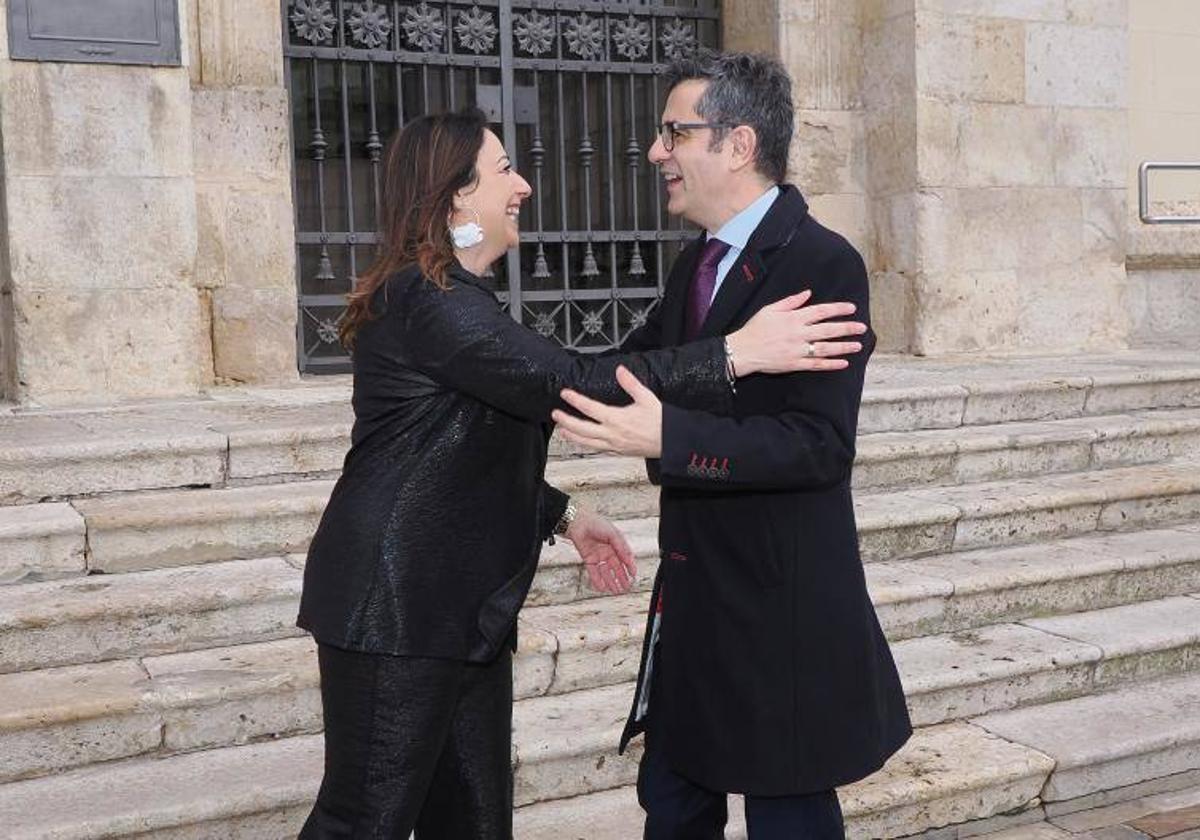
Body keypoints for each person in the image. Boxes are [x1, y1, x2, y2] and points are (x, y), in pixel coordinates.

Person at [294, 108, 870, 839]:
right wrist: (734, 353)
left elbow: (456, 449)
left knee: (471, 819)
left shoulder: (456, 300)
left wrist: (564, 516)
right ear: (457, 194)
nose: (525, 186)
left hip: (459, 607)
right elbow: (568, 381)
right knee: (363, 820)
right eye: (505, 169)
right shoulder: (427, 300)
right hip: (395, 607)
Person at [552, 52, 913, 839]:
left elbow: (816, 446)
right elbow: (625, 373)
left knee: (789, 818)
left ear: (738, 143)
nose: (656, 151)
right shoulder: (697, 262)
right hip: (694, 608)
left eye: (675, 131)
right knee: (674, 808)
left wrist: (672, 436)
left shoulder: (822, 261)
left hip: (775, 614)